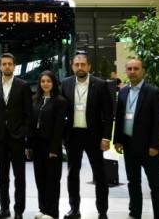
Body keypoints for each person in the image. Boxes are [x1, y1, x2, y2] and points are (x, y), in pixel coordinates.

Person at [61, 52, 113, 219]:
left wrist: (106, 137)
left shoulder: (101, 84)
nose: (80, 67)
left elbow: (108, 113)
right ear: (72, 67)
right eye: (77, 65)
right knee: (72, 174)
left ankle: (102, 211)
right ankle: (74, 209)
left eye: (83, 64)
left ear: (89, 66)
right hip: (73, 135)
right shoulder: (65, 84)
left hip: (94, 137)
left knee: (100, 174)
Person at [113, 59, 159, 219]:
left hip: (148, 147)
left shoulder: (153, 92)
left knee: (156, 185)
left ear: (143, 71)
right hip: (129, 145)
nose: (132, 71)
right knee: (133, 182)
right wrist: (117, 140)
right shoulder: (123, 92)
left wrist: (155, 145)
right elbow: (120, 118)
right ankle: (134, 213)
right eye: (129, 69)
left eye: (136, 68)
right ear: (126, 71)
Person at [0, 53, 32, 219]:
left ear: (14, 66)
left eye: (9, 64)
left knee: (19, 175)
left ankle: (19, 210)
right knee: (2, 176)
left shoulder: (23, 85)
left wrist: (24, 132)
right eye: (4, 64)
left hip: (17, 136)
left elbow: (28, 113)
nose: (7, 66)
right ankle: (4, 209)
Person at [30, 71, 67, 219]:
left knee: (52, 179)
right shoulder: (35, 100)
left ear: (54, 83)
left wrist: (54, 148)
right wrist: (29, 145)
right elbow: (31, 124)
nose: (45, 84)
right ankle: (43, 209)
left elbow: (59, 127)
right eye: (43, 81)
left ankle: (52, 212)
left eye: (49, 81)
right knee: (40, 178)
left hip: (51, 146)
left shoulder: (60, 101)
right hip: (37, 145)